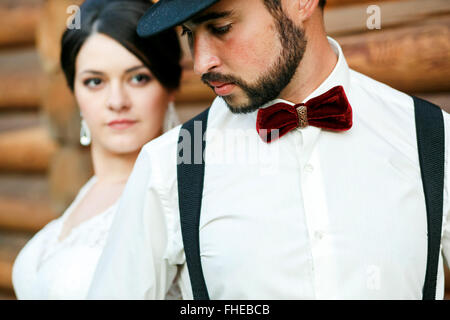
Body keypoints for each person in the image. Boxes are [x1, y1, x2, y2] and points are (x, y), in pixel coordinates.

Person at [88, 0, 450, 299]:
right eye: (189, 34)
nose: (201, 63)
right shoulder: (171, 164)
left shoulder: (433, 137)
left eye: (221, 27)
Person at [12, 0, 182, 300]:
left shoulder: (178, 196)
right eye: (95, 81)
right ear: (74, 92)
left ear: (169, 86)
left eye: (138, 78)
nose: (117, 100)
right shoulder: (88, 193)